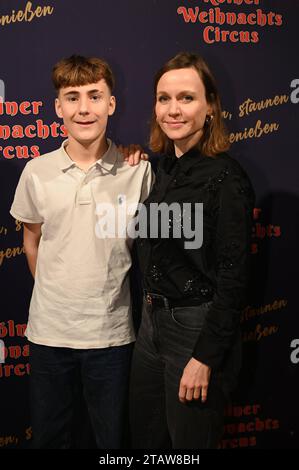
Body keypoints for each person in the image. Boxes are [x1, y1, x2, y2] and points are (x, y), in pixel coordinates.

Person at [10, 55, 153, 449]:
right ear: (58, 108)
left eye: (95, 96)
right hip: (48, 336)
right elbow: (31, 241)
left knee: (112, 441)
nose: (84, 108)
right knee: (50, 438)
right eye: (72, 97)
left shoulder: (138, 171)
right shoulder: (36, 171)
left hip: (112, 338)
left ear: (112, 103)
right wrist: (59, 295)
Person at [129, 52, 255, 449]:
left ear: (210, 107)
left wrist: (204, 358)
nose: (173, 109)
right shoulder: (161, 167)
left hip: (195, 330)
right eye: (164, 98)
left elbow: (234, 279)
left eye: (186, 98)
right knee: (147, 443)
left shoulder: (226, 178)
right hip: (149, 327)